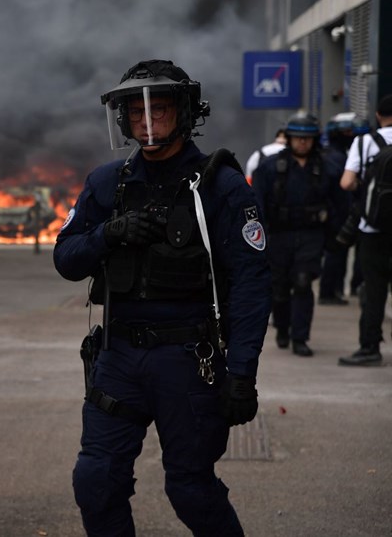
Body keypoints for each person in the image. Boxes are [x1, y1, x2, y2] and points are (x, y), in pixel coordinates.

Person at [54, 59, 271, 536]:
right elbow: (66, 258)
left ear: (186, 113)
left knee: (190, 487)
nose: (147, 121)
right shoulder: (107, 184)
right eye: (137, 112)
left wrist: (242, 374)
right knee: (96, 481)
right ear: (124, 119)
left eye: (161, 109)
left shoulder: (222, 186)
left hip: (189, 361)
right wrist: (108, 235)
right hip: (119, 357)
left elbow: (253, 286)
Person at [251, 112, 345, 357]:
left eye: (307, 138)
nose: (302, 142)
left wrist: (338, 237)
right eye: (298, 138)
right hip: (278, 235)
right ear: (289, 138)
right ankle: (283, 327)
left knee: (303, 283)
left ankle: (300, 337)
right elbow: (257, 204)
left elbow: (340, 203)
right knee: (280, 288)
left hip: (311, 235)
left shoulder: (327, 168)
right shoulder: (269, 167)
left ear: (314, 140)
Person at [337, 95, 392, 366]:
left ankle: (370, 347)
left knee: (373, 290)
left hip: (372, 228)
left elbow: (346, 183)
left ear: (379, 115)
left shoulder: (364, 142)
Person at [318, 112, 369, 304]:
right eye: (348, 131)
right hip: (336, 213)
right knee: (335, 253)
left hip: (339, 212)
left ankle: (335, 290)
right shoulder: (335, 157)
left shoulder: (339, 155)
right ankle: (328, 292)